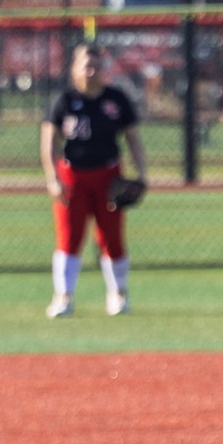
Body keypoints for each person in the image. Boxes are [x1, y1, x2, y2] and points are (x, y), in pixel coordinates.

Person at [41, 43, 147, 318]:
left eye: (95, 66)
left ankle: (118, 294)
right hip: (72, 176)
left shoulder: (116, 99)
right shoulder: (64, 100)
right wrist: (52, 178)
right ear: (74, 68)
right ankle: (63, 296)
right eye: (85, 65)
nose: (90, 71)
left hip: (109, 176)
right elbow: (49, 141)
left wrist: (142, 173)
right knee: (69, 237)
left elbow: (133, 137)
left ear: (103, 69)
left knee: (111, 238)